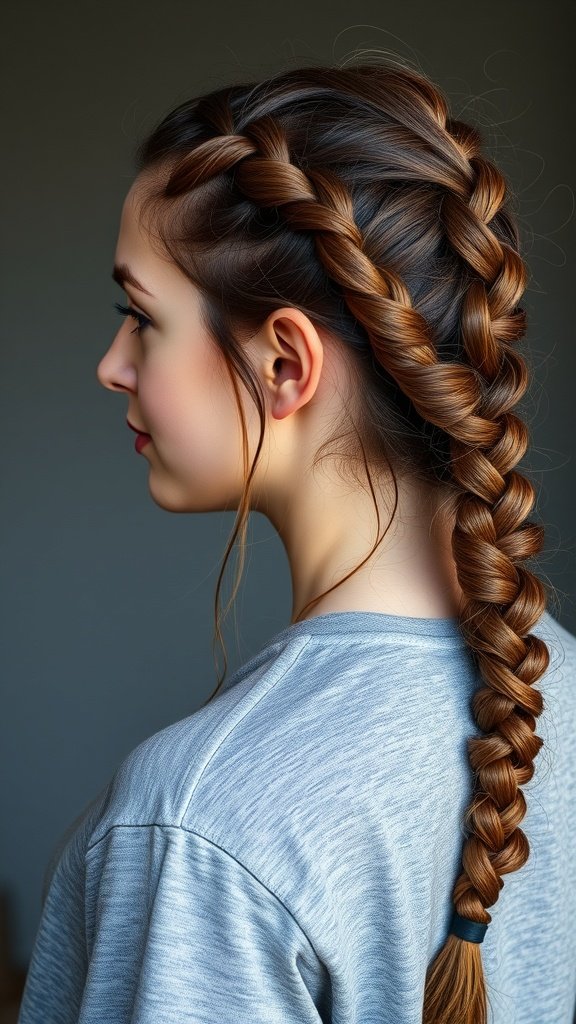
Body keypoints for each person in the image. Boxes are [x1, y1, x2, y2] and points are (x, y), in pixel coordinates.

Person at [17, 55, 576, 1024]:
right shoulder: (561, 691)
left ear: (284, 363)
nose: (112, 366)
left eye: (139, 318)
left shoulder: (197, 826)